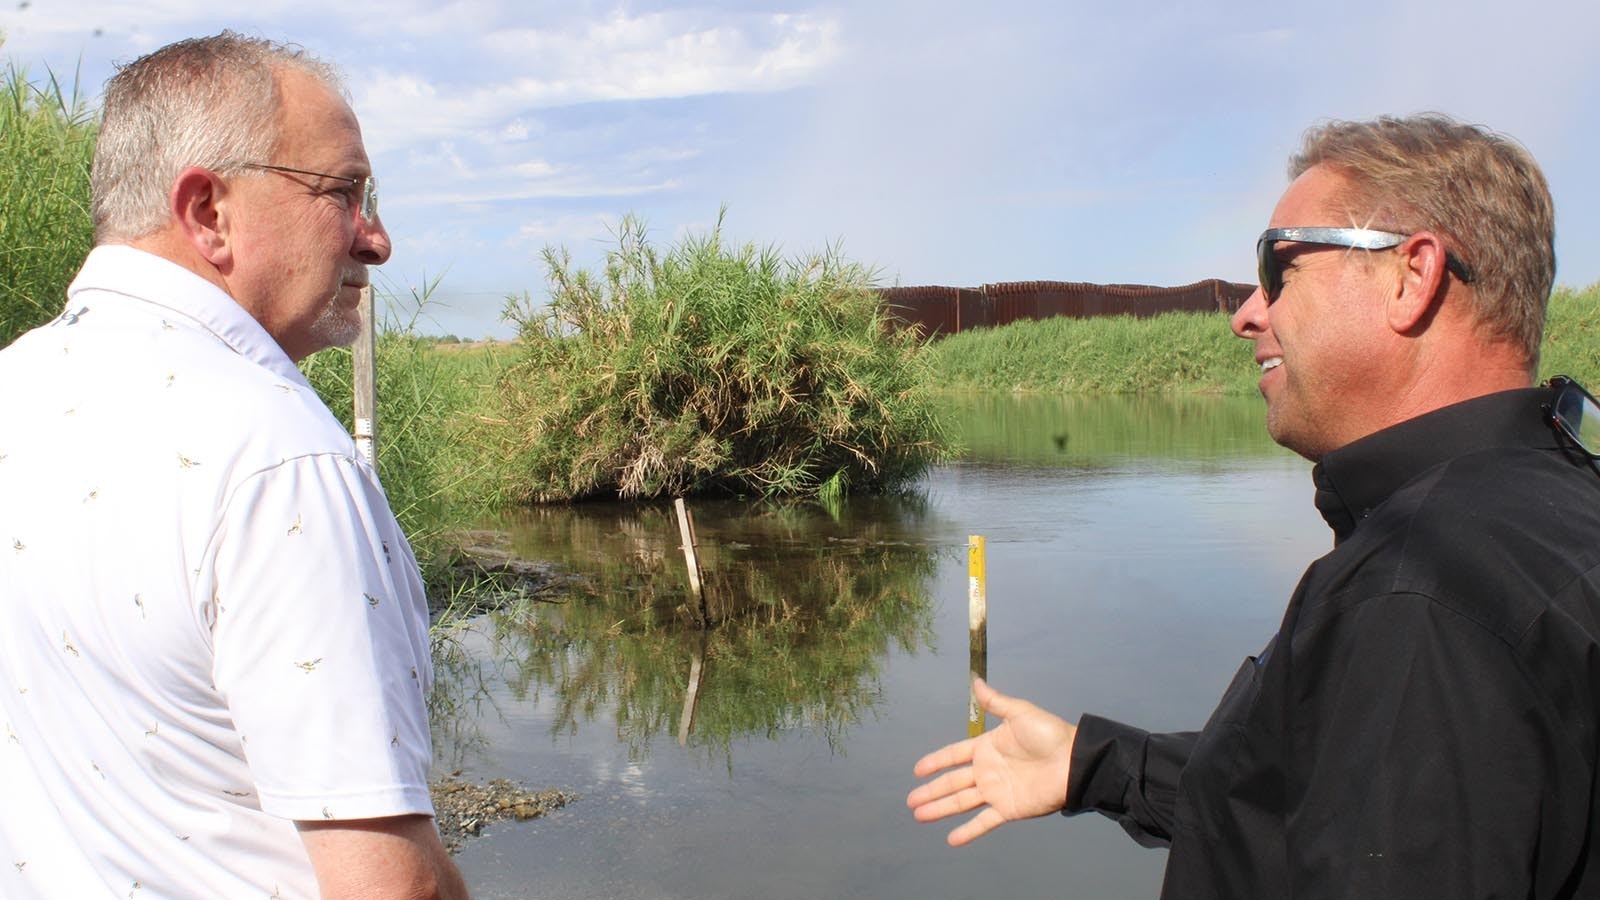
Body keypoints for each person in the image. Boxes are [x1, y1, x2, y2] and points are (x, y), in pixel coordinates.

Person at [908, 113, 1600, 899]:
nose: (1246, 313)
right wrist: (1096, 766)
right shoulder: (1556, 497)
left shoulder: (1420, 596)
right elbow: (1323, 792)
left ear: (1412, 275)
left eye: (1280, 269)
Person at [0, 33, 468, 899]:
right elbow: (391, 889)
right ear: (208, 211)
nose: (377, 239)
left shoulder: (17, 384)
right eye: (345, 193)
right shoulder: (278, 457)